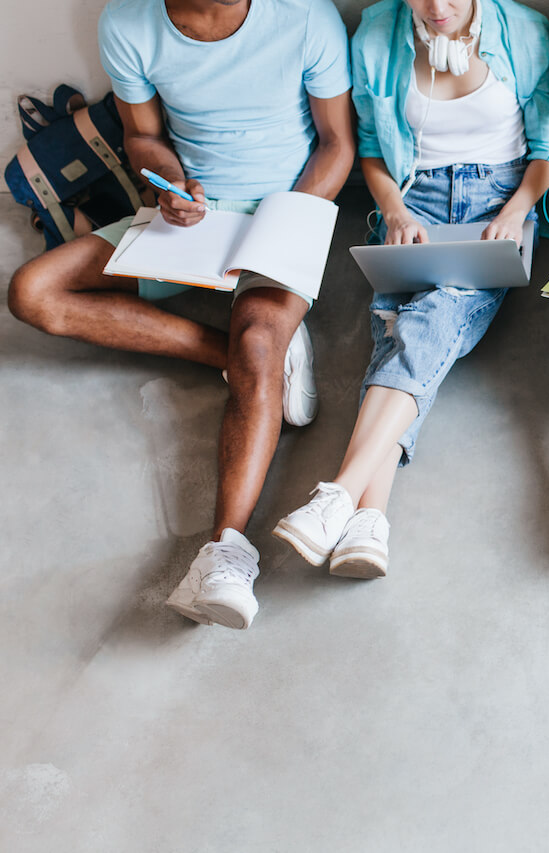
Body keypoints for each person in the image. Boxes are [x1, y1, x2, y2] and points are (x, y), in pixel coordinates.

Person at [6, 0, 354, 629]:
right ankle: (255, 366)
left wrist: (284, 226)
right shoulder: (129, 23)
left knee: (257, 343)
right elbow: (143, 136)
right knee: (33, 291)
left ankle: (225, 553)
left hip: (287, 206)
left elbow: (337, 145)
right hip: (191, 216)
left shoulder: (305, 16)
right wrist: (167, 186)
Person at [272, 0, 549, 578]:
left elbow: (548, 148)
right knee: (401, 332)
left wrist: (516, 211)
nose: (437, 9)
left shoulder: (525, 32)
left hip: (495, 204)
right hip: (414, 202)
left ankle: (340, 493)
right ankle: (367, 522)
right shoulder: (377, 34)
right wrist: (395, 210)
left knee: (428, 320)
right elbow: (374, 153)